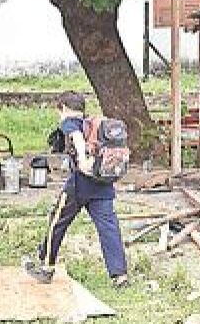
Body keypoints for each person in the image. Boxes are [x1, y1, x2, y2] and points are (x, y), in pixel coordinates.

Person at [24, 91, 129, 287]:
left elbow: (76, 138)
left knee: (57, 221)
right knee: (109, 228)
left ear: (63, 107)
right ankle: (119, 276)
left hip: (80, 184)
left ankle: (46, 267)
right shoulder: (94, 124)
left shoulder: (70, 123)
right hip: (104, 185)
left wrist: (82, 159)